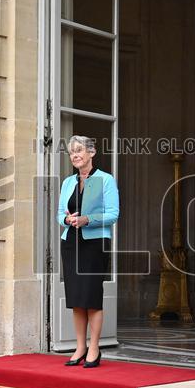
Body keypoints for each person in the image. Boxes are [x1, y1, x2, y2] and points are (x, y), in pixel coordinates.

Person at [57, 135, 119, 369]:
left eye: (79, 150)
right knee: (76, 299)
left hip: (94, 245)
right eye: (72, 151)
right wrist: (67, 218)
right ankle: (80, 346)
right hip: (70, 243)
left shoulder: (105, 180)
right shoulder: (67, 182)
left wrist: (87, 220)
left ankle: (94, 348)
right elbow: (58, 215)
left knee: (92, 297)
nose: (75, 155)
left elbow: (113, 214)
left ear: (92, 153)